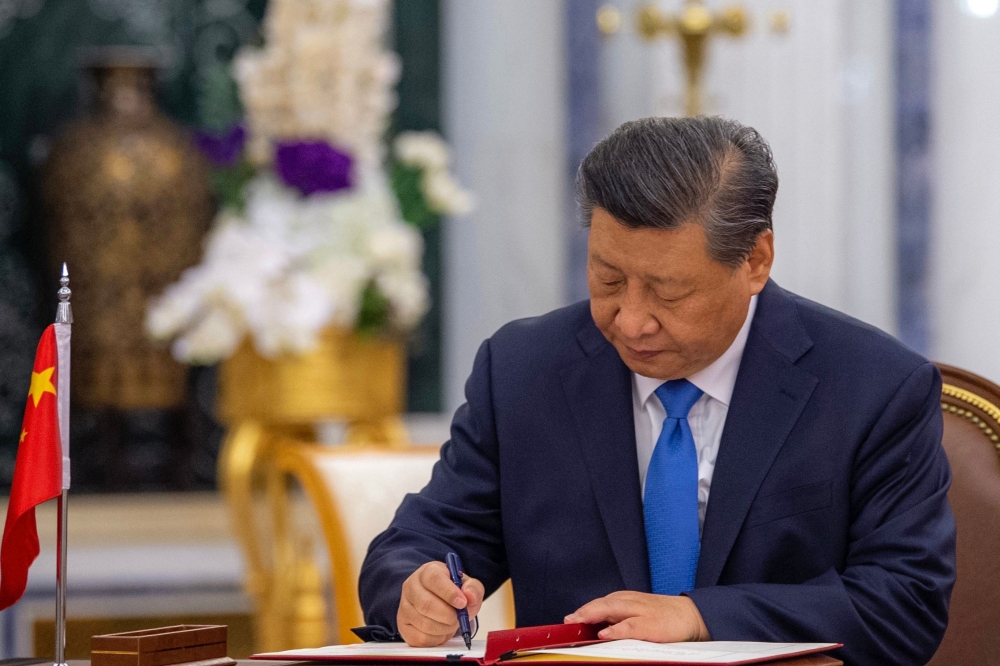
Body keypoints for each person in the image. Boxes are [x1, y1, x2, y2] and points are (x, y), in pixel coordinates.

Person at [356, 116, 956, 666]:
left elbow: (903, 603)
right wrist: (417, 586)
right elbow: (418, 543)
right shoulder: (524, 371)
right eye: (608, 278)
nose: (631, 320)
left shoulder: (871, 386)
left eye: (668, 293)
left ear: (755, 260)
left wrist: (699, 618)